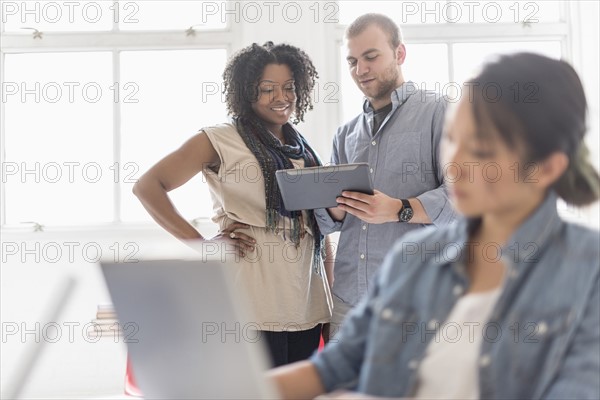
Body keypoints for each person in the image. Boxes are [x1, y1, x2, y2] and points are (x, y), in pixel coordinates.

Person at [269, 52, 600, 399]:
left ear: (546, 168)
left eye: (481, 149)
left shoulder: (587, 272)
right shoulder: (414, 258)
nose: (455, 163)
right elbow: (333, 367)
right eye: (453, 139)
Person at [133, 41, 333, 367]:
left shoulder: (303, 149)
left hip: (306, 303)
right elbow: (147, 187)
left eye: (288, 87)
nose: (281, 97)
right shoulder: (220, 139)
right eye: (267, 89)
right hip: (252, 301)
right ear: (246, 91)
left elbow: (316, 229)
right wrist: (201, 246)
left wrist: (329, 303)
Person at [314, 13, 456, 339]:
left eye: (370, 57)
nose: (360, 70)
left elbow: (464, 196)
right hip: (349, 301)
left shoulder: (440, 112)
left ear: (399, 54)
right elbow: (334, 221)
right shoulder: (345, 134)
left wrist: (399, 209)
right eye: (352, 61)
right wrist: (328, 201)